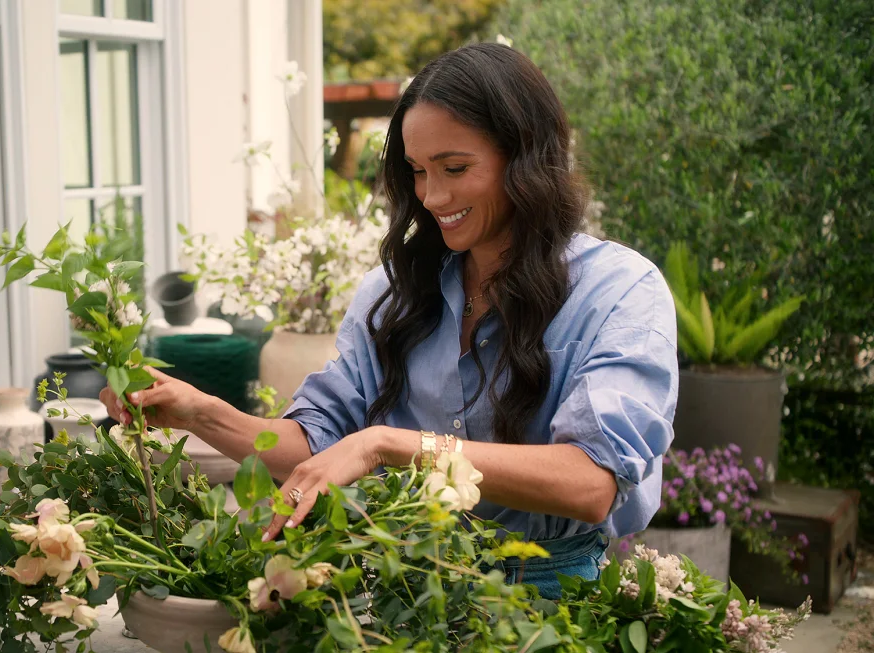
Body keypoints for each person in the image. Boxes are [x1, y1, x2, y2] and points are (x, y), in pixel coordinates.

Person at [100, 42, 678, 600]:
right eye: (417, 171)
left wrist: (387, 445)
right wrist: (199, 411)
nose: (431, 195)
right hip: (404, 597)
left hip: (550, 611)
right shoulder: (396, 294)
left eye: (454, 167)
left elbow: (590, 483)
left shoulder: (620, 292)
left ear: (526, 159)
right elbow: (315, 443)